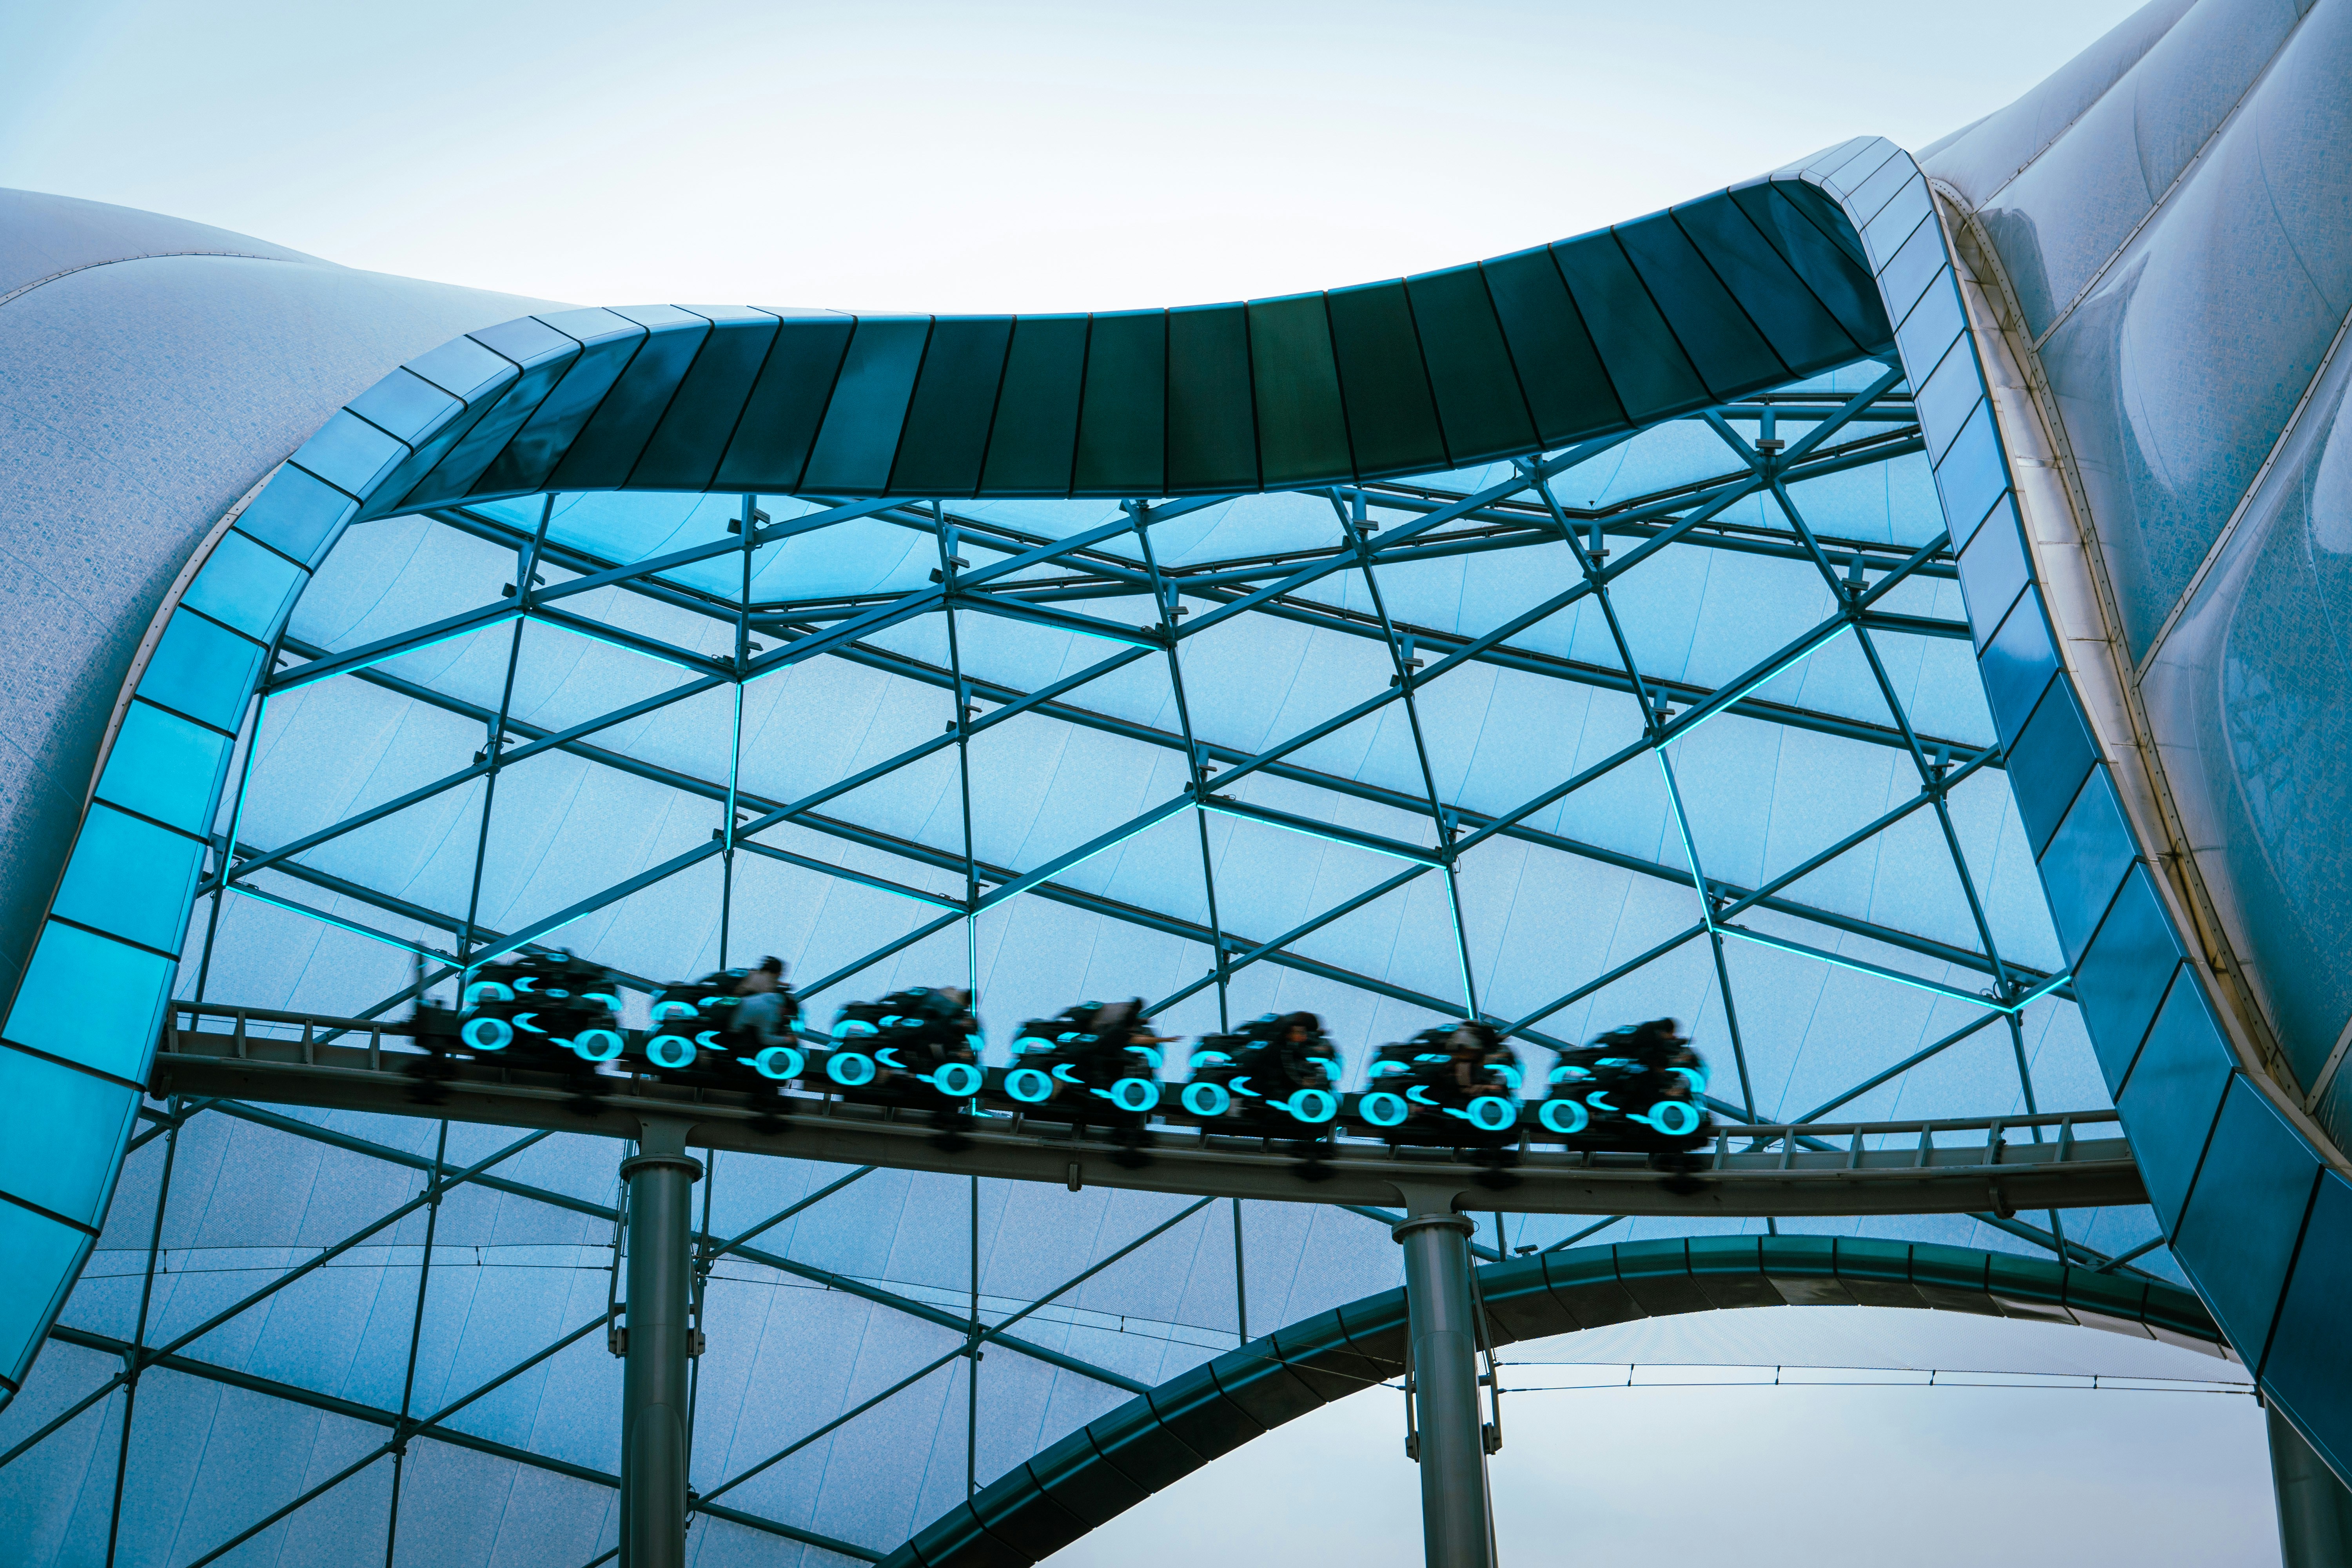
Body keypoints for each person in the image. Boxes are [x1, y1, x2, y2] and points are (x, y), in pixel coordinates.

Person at [733, 956, 797, 1047]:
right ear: (777, 972)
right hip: (742, 1022)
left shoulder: (755, 973)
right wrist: (787, 1038)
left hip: (738, 1001)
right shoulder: (769, 989)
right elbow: (765, 1037)